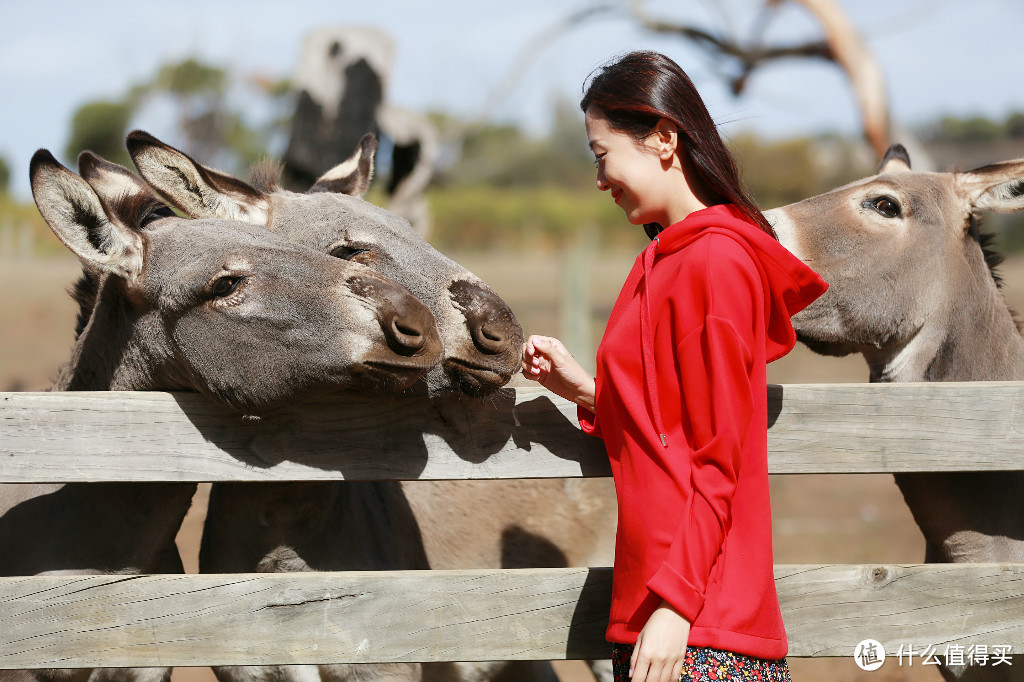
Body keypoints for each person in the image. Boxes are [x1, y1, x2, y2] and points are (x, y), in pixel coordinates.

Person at [521, 51, 828, 682]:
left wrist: (675, 606)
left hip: (699, 624)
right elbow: (670, 430)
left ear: (663, 139)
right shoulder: (667, 259)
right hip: (657, 608)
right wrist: (584, 388)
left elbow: (721, 459)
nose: (599, 179)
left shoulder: (716, 264)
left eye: (602, 155)